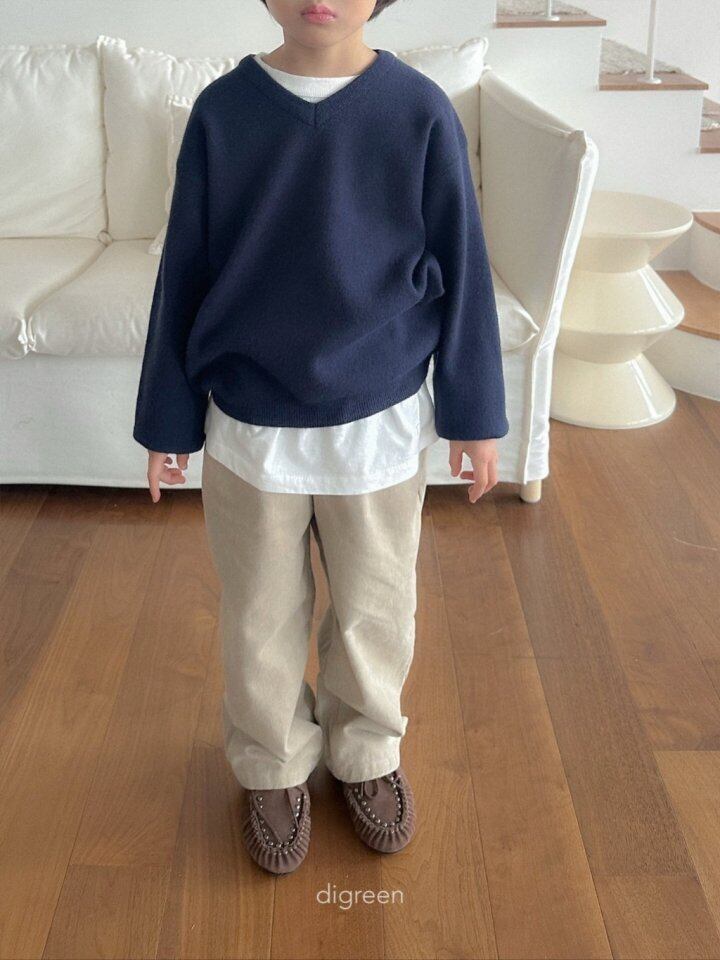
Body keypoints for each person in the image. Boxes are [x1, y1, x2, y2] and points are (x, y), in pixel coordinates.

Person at [133, 0, 509, 876]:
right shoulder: (224, 112)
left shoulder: (419, 111)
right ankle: (271, 761)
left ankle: (367, 750)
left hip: (379, 418)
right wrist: (166, 421)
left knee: (377, 607)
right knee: (259, 614)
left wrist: (475, 415)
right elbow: (184, 269)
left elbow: (463, 264)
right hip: (249, 422)